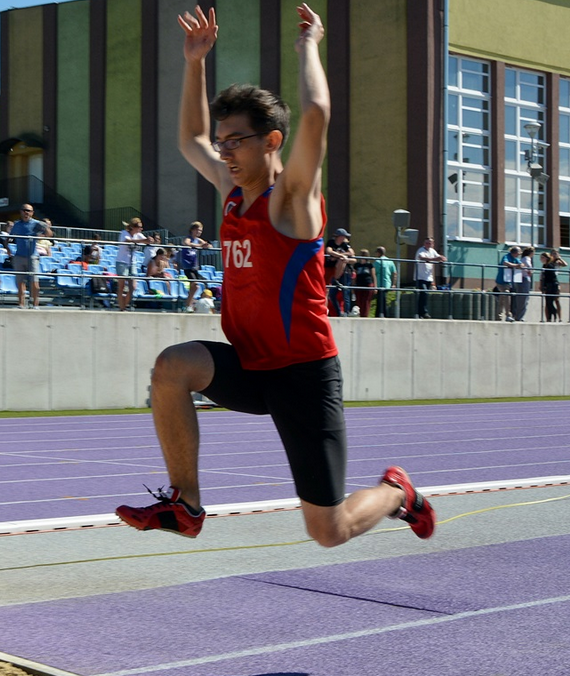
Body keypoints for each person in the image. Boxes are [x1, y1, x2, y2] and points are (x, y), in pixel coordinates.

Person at [115, 4, 435, 546]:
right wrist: (195, 63)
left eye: (235, 140)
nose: (224, 152)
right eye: (224, 143)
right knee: (172, 367)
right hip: (250, 364)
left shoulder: (294, 199)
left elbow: (316, 113)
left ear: (271, 141)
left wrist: (309, 45)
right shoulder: (232, 191)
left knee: (327, 531)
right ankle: (185, 504)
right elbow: (189, 138)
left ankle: (398, 493)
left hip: (302, 377)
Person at [9, 204, 52, 309]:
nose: (26, 212)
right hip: (19, 256)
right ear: (20, 212)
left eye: (28, 211)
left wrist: (46, 227)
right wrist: (8, 249)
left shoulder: (36, 224)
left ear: (32, 213)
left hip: (32, 256)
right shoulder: (17, 224)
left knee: (34, 282)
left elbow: (50, 234)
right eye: (24, 210)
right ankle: (21, 304)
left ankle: (35, 305)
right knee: (20, 282)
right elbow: (9, 237)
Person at [115, 218, 152, 311]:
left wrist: (149, 240)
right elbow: (128, 241)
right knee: (122, 286)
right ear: (133, 227)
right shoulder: (124, 233)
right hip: (122, 262)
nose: (141, 229)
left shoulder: (138, 235)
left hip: (132, 262)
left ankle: (124, 305)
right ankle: (121, 307)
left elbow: (146, 240)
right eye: (139, 227)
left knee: (133, 286)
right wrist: (142, 241)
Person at [179, 221, 212, 310]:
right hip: (187, 266)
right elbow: (187, 243)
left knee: (200, 285)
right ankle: (187, 305)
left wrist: (206, 245)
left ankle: (191, 303)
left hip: (194, 267)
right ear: (192, 230)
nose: (199, 232)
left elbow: (208, 246)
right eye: (197, 230)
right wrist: (200, 245)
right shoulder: (188, 238)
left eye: (200, 231)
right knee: (195, 285)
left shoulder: (198, 240)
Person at [324, 227, 354, 316]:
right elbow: (328, 251)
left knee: (342, 260)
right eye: (344, 236)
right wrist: (339, 255)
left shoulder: (344, 244)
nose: (345, 238)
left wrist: (339, 255)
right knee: (326, 290)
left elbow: (351, 253)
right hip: (328, 267)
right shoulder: (331, 242)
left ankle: (336, 278)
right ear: (339, 236)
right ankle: (325, 310)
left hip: (337, 268)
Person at [414, 236, 446, 319]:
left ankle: (421, 313)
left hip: (428, 277)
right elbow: (423, 258)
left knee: (425, 295)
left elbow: (438, 257)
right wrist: (436, 259)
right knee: (423, 293)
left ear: (432, 244)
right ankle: (423, 313)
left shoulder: (432, 251)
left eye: (430, 243)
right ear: (423, 243)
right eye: (426, 243)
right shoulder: (421, 250)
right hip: (420, 277)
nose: (428, 244)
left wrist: (442, 258)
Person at [495, 246, 521, 322]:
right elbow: (505, 263)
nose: (519, 254)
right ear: (515, 252)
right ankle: (507, 315)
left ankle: (499, 316)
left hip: (508, 281)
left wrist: (520, 265)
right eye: (519, 252)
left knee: (502, 298)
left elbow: (521, 264)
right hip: (501, 281)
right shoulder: (506, 256)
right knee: (506, 294)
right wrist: (516, 266)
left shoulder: (516, 259)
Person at [540, 250, 565, 322]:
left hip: (553, 285)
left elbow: (550, 276)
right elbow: (543, 276)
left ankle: (555, 314)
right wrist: (543, 285)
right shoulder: (545, 265)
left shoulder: (550, 265)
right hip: (548, 285)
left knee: (553, 301)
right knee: (548, 302)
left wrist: (559, 258)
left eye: (542, 257)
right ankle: (550, 317)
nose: (541, 259)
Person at [372, 246, 397, 318]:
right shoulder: (390, 261)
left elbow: (373, 273)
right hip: (387, 283)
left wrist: (374, 285)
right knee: (383, 300)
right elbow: (395, 273)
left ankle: (381, 315)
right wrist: (393, 284)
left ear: (378, 253)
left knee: (380, 301)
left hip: (379, 283)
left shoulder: (377, 261)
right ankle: (382, 315)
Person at [513, 246, 534, 321]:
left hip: (522, 279)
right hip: (524, 279)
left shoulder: (523, 258)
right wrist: (529, 271)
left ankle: (518, 316)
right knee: (523, 298)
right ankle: (519, 316)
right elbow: (528, 267)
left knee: (521, 298)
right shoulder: (526, 258)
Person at [353, 249, 375, 317]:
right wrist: (353, 285)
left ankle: (365, 315)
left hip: (368, 284)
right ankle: (360, 314)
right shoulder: (357, 265)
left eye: (364, 255)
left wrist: (375, 286)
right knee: (359, 301)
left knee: (366, 301)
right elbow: (354, 276)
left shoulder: (370, 265)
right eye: (362, 254)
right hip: (359, 284)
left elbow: (373, 276)